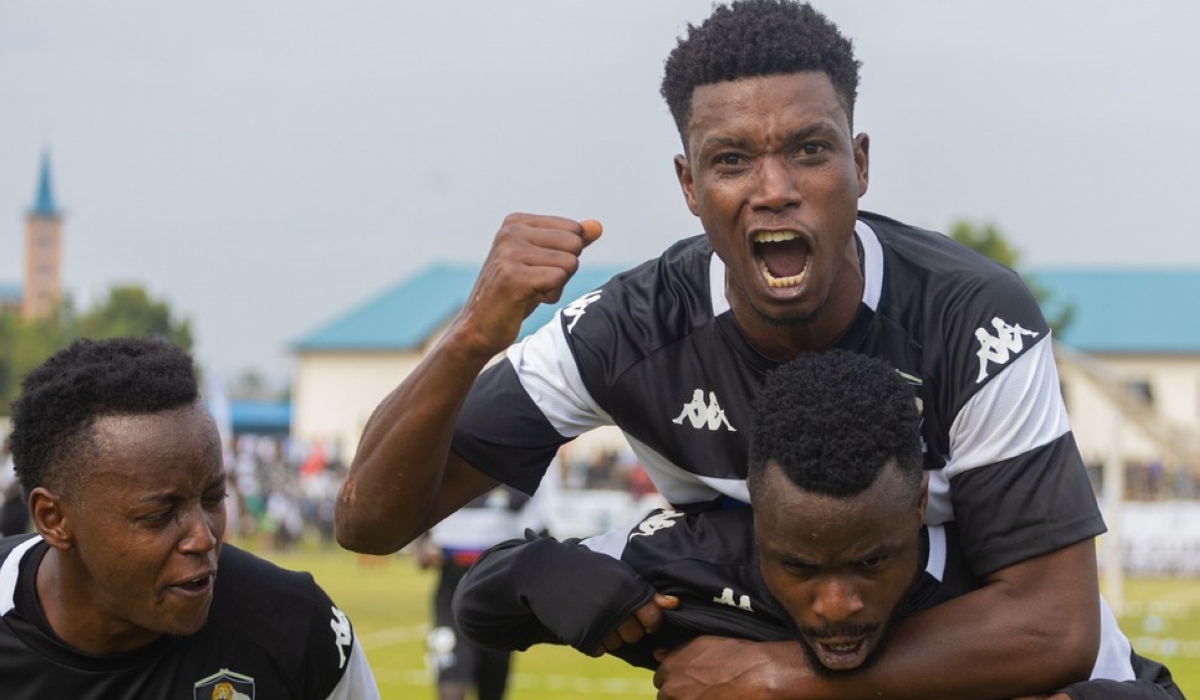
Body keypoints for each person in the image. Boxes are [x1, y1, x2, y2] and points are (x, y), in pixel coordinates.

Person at [336, 1, 1109, 697]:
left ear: (860, 162)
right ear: (688, 183)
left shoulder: (967, 313)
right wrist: (472, 334)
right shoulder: (629, 328)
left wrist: (778, 680)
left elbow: (1053, 628)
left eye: (810, 149)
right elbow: (368, 522)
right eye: (732, 159)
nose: (774, 188)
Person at [453, 351, 1183, 700]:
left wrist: (783, 682)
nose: (837, 605)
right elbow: (483, 607)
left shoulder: (999, 589)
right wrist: (536, 573)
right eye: (798, 566)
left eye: (872, 562)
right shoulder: (697, 554)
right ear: (754, 517)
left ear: (920, 509)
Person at [0, 337, 379, 700]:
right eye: (159, 515)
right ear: (53, 520)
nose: (204, 538)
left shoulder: (295, 628)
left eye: (214, 498)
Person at [416, 485, 534, 700]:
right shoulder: (446, 473)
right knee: (451, 679)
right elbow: (421, 532)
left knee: (492, 686)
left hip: (498, 597)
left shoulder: (519, 475)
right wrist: (423, 549)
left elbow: (538, 534)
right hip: (451, 594)